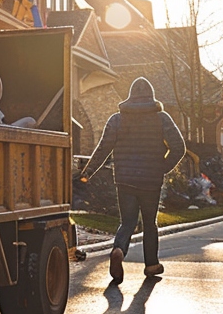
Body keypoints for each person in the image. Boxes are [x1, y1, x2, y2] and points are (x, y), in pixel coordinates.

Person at [79, 77, 186, 282]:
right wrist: (162, 168)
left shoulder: (117, 120)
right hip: (151, 181)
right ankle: (152, 265)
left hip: (125, 179)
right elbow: (178, 147)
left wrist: (87, 172)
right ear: (151, 96)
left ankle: (119, 249)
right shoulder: (162, 118)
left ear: (130, 96)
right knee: (149, 223)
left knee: (127, 222)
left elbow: (103, 149)